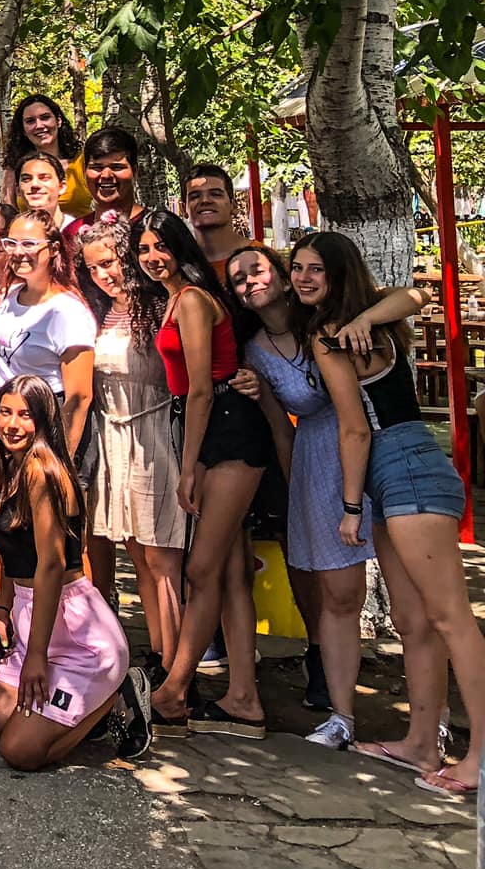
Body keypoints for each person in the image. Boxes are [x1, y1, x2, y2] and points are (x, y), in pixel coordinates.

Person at [296, 232, 485, 796]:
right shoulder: (372, 325)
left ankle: (480, 757)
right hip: (407, 469)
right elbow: (412, 296)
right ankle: (421, 742)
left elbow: (354, 429)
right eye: (297, 268)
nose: (303, 278)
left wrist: (350, 506)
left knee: (451, 618)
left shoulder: (332, 337)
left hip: (403, 472)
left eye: (316, 270)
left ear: (339, 275)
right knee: (413, 619)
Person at [228, 242, 372, 749]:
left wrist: (366, 318)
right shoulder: (255, 352)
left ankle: (431, 716)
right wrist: (298, 494)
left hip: (371, 441)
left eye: (258, 270)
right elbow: (279, 427)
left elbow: (409, 297)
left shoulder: (322, 317)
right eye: (238, 279)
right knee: (332, 588)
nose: (250, 281)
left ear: (282, 275)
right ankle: (338, 703)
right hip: (315, 456)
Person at [0, 377, 151, 766]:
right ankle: (63, 713)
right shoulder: (6, 466)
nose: (11, 424)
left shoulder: (41, 470)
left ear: (44, 420)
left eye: (24, 415)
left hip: (76, 633)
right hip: (29, 617)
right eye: (5, 412)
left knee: (20, 750)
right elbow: (12, 553)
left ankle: (116, 695)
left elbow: (50, 565)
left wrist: (36, 656)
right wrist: (2, 609)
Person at [140, 210, 269, 738]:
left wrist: (188, 465)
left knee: (201, 569)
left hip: (227, 430)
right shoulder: (173, 299)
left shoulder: (192, 299)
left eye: (161, 246)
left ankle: (173, 692)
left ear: (181, 248)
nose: (152, 257)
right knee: (231, 573)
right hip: (207, 428)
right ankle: (244, 700)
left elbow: (199, 389)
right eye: (143, 249)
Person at [77, 218, 185, 684]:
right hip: (112, 436)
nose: (104, 274)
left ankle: (177, 668)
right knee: (137, 552)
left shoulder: (162, 307)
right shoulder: (101, 311)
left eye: (110, 262)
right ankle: (158, 653)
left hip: (154, 433)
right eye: (93, 267)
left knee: (163, 558)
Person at [0, 209, 96, 462]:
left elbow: (80, 397)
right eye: (11, 243)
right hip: (7, 423)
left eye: (29, 244)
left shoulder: (66, 311)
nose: (18, 252)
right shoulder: (11, 295)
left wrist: (59, 461)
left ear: (54, 249)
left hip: (46, 423)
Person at [0, 94, 89, 217]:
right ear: (23, 130)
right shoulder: (14, 167)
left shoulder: (81, 161)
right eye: (30, 121)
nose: (39, 125)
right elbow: (8, 213)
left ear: (58, 121)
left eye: (45, 117)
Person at [65, 127, 142, 245]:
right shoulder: (71, 234)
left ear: (135, 171)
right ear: (84, 172)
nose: (106, 175)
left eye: (117, 167)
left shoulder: (155, 229)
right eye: (97, 168)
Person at [184, 164, 244, 280]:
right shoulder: (178, 266)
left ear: (233, 205)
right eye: (195, 196)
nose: (205, 200)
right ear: (183, 209)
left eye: (216, 194)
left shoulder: (263, 260)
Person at [13, 150, 72, 224]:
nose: (34, 184)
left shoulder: (78, 229)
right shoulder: (13, 230)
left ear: (61, 186)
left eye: (44, 178)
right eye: (26, 179)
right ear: (18, 190)